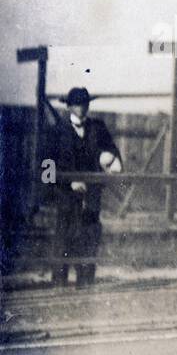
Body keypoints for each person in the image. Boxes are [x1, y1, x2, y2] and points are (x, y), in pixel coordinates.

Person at [51, 87, 122, 286]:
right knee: (65, 237)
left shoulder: (97, 128)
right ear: (69, 106)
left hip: (91, 194)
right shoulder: (57, 130)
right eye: (76, 104)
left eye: (84, 104)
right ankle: (59, 283)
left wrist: (113, 160)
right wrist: (68, 182)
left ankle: (86, 282)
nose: (81, 108)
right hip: (66, 196)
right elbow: (46, 167)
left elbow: (112, 150)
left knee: (90, 236)